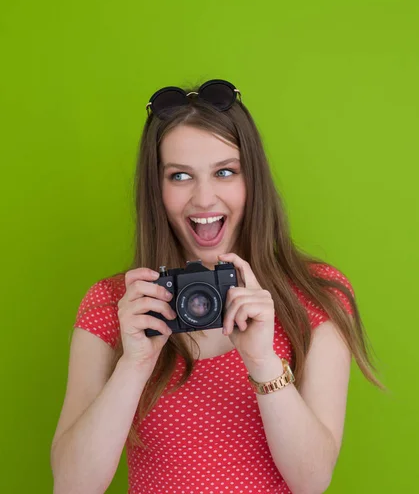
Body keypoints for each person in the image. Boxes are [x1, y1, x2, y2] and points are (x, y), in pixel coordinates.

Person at [51, 79, 384, 494]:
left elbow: (312, 481)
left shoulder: (316, 295)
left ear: (252, 180)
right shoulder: (113, 304)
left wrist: (263, 362)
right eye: (180, 176)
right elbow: (71, 486)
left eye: (225, 171)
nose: (204, 199)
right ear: (156, 188)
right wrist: (133, 366)